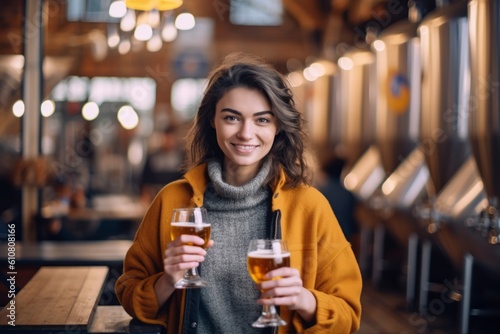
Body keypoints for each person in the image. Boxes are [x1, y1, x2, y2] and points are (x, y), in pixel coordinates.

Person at [115, 52, 362, 333]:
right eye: (232, 117)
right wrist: (168, 280)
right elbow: (129, 296)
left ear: (278, 126)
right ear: (212, 120)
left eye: (262, 120)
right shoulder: (171, 200)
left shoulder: (310, 206)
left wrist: (304, 299)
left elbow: (348, 315)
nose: (246, 133)